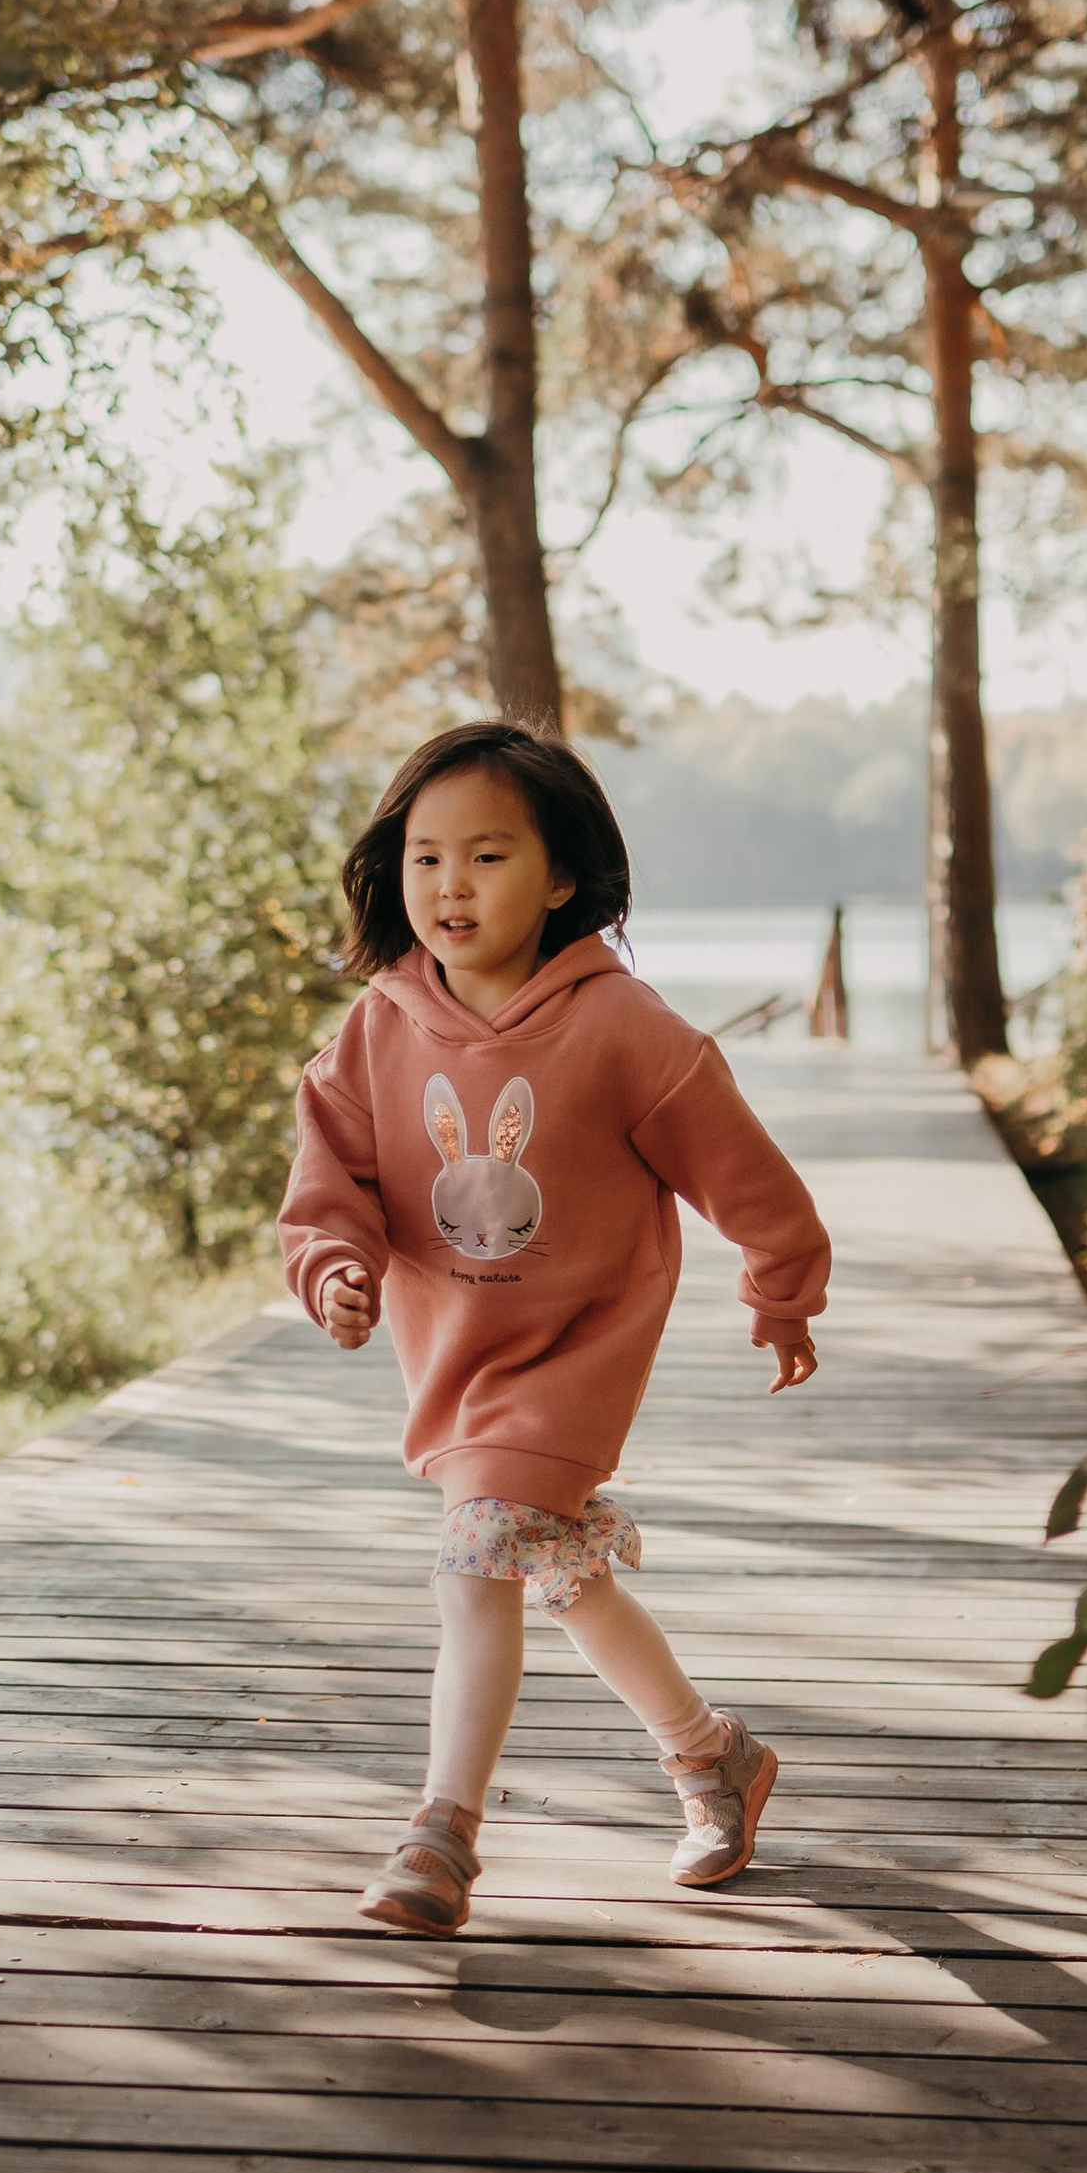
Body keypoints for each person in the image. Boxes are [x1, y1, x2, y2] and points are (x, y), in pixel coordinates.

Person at [279, 720, 831, 1937]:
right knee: (561, 1575)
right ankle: (712, 1759)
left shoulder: (622, 1027)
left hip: (575, 1355)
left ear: (562, 876)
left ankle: (441, 1835)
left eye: (486, 857)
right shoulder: (376, 1031)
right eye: (424, 859)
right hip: (455, 1360)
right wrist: (332, 1271)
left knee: (474, 1561)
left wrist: (781, 1290)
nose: (449, 887)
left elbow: (749, 1179)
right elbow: (328, 1186)